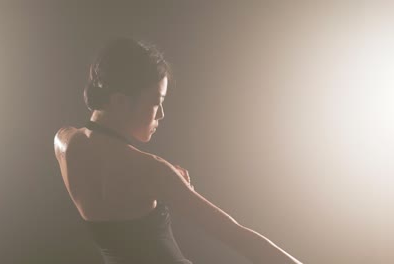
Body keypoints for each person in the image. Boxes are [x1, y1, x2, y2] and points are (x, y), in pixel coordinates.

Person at [53, 37, 303, 264]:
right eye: (156, 102)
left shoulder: (64, 143)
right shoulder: (152, 171)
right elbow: (239, 238)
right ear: (119, 101)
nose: (161, 114)